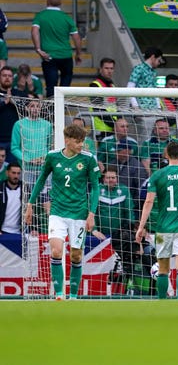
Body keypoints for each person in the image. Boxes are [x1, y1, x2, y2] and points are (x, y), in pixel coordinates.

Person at [24, 124, 101, 300]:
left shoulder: (88, 159)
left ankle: (73, 296)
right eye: (77, 141)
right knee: (56, 251)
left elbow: (95, 187)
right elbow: (41, 179)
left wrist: (91, 213)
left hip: (79, 213)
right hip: (57, 212)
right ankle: (59, 295)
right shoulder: (52, 157)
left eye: (82, 141)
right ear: (67, 140)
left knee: (76, 255)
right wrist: (30, 204)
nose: (81, 145)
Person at [136, 141, 178, 299]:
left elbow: (149, 202)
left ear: (166, 154)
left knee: (163, 268)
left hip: (162, 229)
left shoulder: (158, 175)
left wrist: (141, 227)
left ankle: (162, 302)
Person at [31, 0, 83, 98]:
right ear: (60, 2)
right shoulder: (67, 18)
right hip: (66, 55)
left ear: (47, 1)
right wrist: (78, 54)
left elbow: (34, 31)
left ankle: (52, 112)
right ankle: (62, 109)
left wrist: (38, 49)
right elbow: (76, 38)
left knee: (51, 87)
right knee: (65, 87)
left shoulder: (41, 16)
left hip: (49, 56)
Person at [10, 98, 53, 188]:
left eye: (38, 106)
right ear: (26, 108)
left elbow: (50, 146)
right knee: (28, 198)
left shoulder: (48, 125)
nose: (35, 108)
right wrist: (28, 160)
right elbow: (14, 148)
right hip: (27, 169)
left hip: (44, 168)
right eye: (32, 106)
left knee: (45, 198)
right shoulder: (19, 124)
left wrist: (44, 158)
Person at [92, 166, 134, 241]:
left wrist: (129, 229)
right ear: (103, 178)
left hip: (119, 235)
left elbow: (129, 211)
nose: (110, 180)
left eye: (113, 178)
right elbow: (91, 212)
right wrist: (94, 230)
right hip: (100, 234)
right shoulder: (96, 190)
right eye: (108, 178)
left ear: (117, 178)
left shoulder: (124, 190)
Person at [88, 57, 118, 137]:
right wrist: (115, 124)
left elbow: (116, 107)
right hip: (101, 129)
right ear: (101, 69)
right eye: (106, 68)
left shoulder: (112, 86)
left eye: (111, 68)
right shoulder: (95, 85)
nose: (109, 71)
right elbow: (98, 109)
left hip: (114, 129)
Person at [0, 163, 24, 235]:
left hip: (20, 232)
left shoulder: (25, 189)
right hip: (2, 231)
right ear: (7, 173)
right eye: (13, 173)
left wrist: (33, 229)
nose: (16, 176)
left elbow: (31, 209)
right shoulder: (1, 187)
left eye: (18, 173)